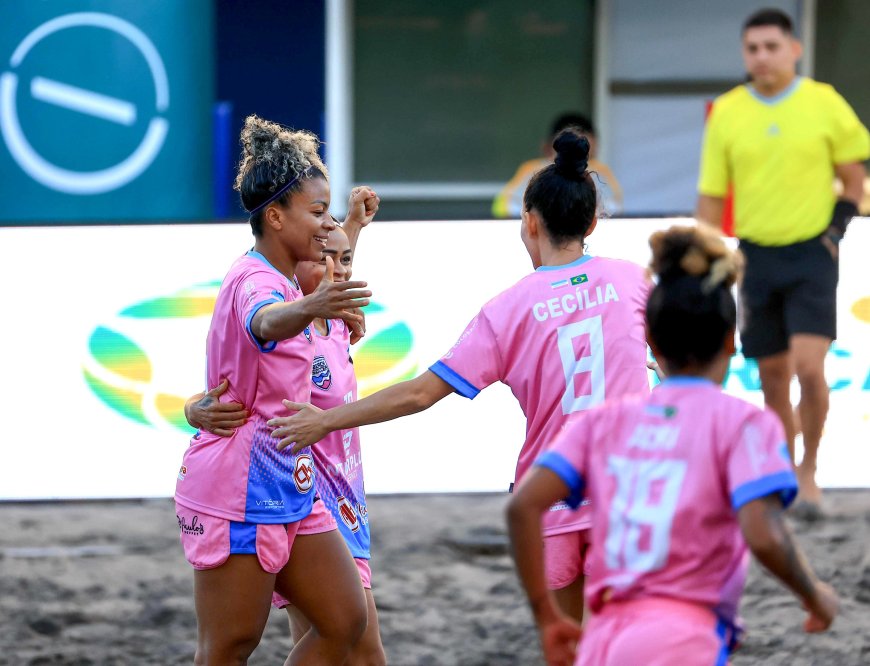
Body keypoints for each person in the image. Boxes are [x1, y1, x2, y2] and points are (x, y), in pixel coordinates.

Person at [269, 129, 651, 623]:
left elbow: (420, 394)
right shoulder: (636, 282)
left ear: (529, 222)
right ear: (592, 222)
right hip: (630, 493)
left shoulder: (507, 310)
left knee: (571, 648)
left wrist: (326, 421)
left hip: (551, 502)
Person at [507, 224, 839, 666]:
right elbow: (763, 533)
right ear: (729, 341)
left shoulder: (603, 423)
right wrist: (814, 595)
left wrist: (547, 617)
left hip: (604, 640)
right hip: (686, 637)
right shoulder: (743, 424)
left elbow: (521, 508)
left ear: (655, 343)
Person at [173, 115, 373, 665]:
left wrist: (350, 232)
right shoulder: (255, 279)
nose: (326, 224)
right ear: (276, 216)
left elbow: (328, 265)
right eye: (316, 211)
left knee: (347, 622)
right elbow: (265, 322)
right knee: (229, 647)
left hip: (292, 483)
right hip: (238, 490)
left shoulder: (291, 276)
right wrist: (313, 308)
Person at [695, 8, 870, 509]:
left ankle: (810, 470)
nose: (762, 57)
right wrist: (704, 254)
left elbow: (854, 176)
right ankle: (782, 471)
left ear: (794, 49)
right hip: (754, 256)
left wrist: (836, 230)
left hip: (813, 251)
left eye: (772, 46)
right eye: (752, 49)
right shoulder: (728, 111)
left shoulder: (823, 102)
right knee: (771, 377)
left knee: (810, 368)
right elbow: (711, 195)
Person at [493, 113, 623, 219]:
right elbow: (506, 208)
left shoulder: (601, 173)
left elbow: (614, 211)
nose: (576, 163)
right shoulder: (533, 171)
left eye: (587, 157)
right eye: (565, 154)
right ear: (547, 149)